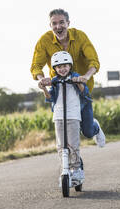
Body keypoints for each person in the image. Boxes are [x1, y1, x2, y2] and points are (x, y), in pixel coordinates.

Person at [30, 8, 105, 147]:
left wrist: (85, 77)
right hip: (60, 91)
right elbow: (36, 65)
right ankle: (74, 165)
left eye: (61, 22)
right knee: (66, 133)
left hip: (81, 88)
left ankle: (96, 127)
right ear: (50, 25)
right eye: (54, 23)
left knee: (88, 131)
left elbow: (94, 61)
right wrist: (42, 79)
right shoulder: (44, 41)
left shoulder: (80, 36)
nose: (58, 27)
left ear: (68, 23)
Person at [38, 51, 88, 180]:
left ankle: (76, 169)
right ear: (55, 69)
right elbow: (50, 98)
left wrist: (78, 81)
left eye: (65, 66)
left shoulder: (75, 76)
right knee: (61, 145)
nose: (62, 69)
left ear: (70, 66)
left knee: (73, 144)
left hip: (73, 115)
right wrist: (43, 88)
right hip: (59, 116)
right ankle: (65, 168)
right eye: (59, 67)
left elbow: (84, 92)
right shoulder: (54, 81)